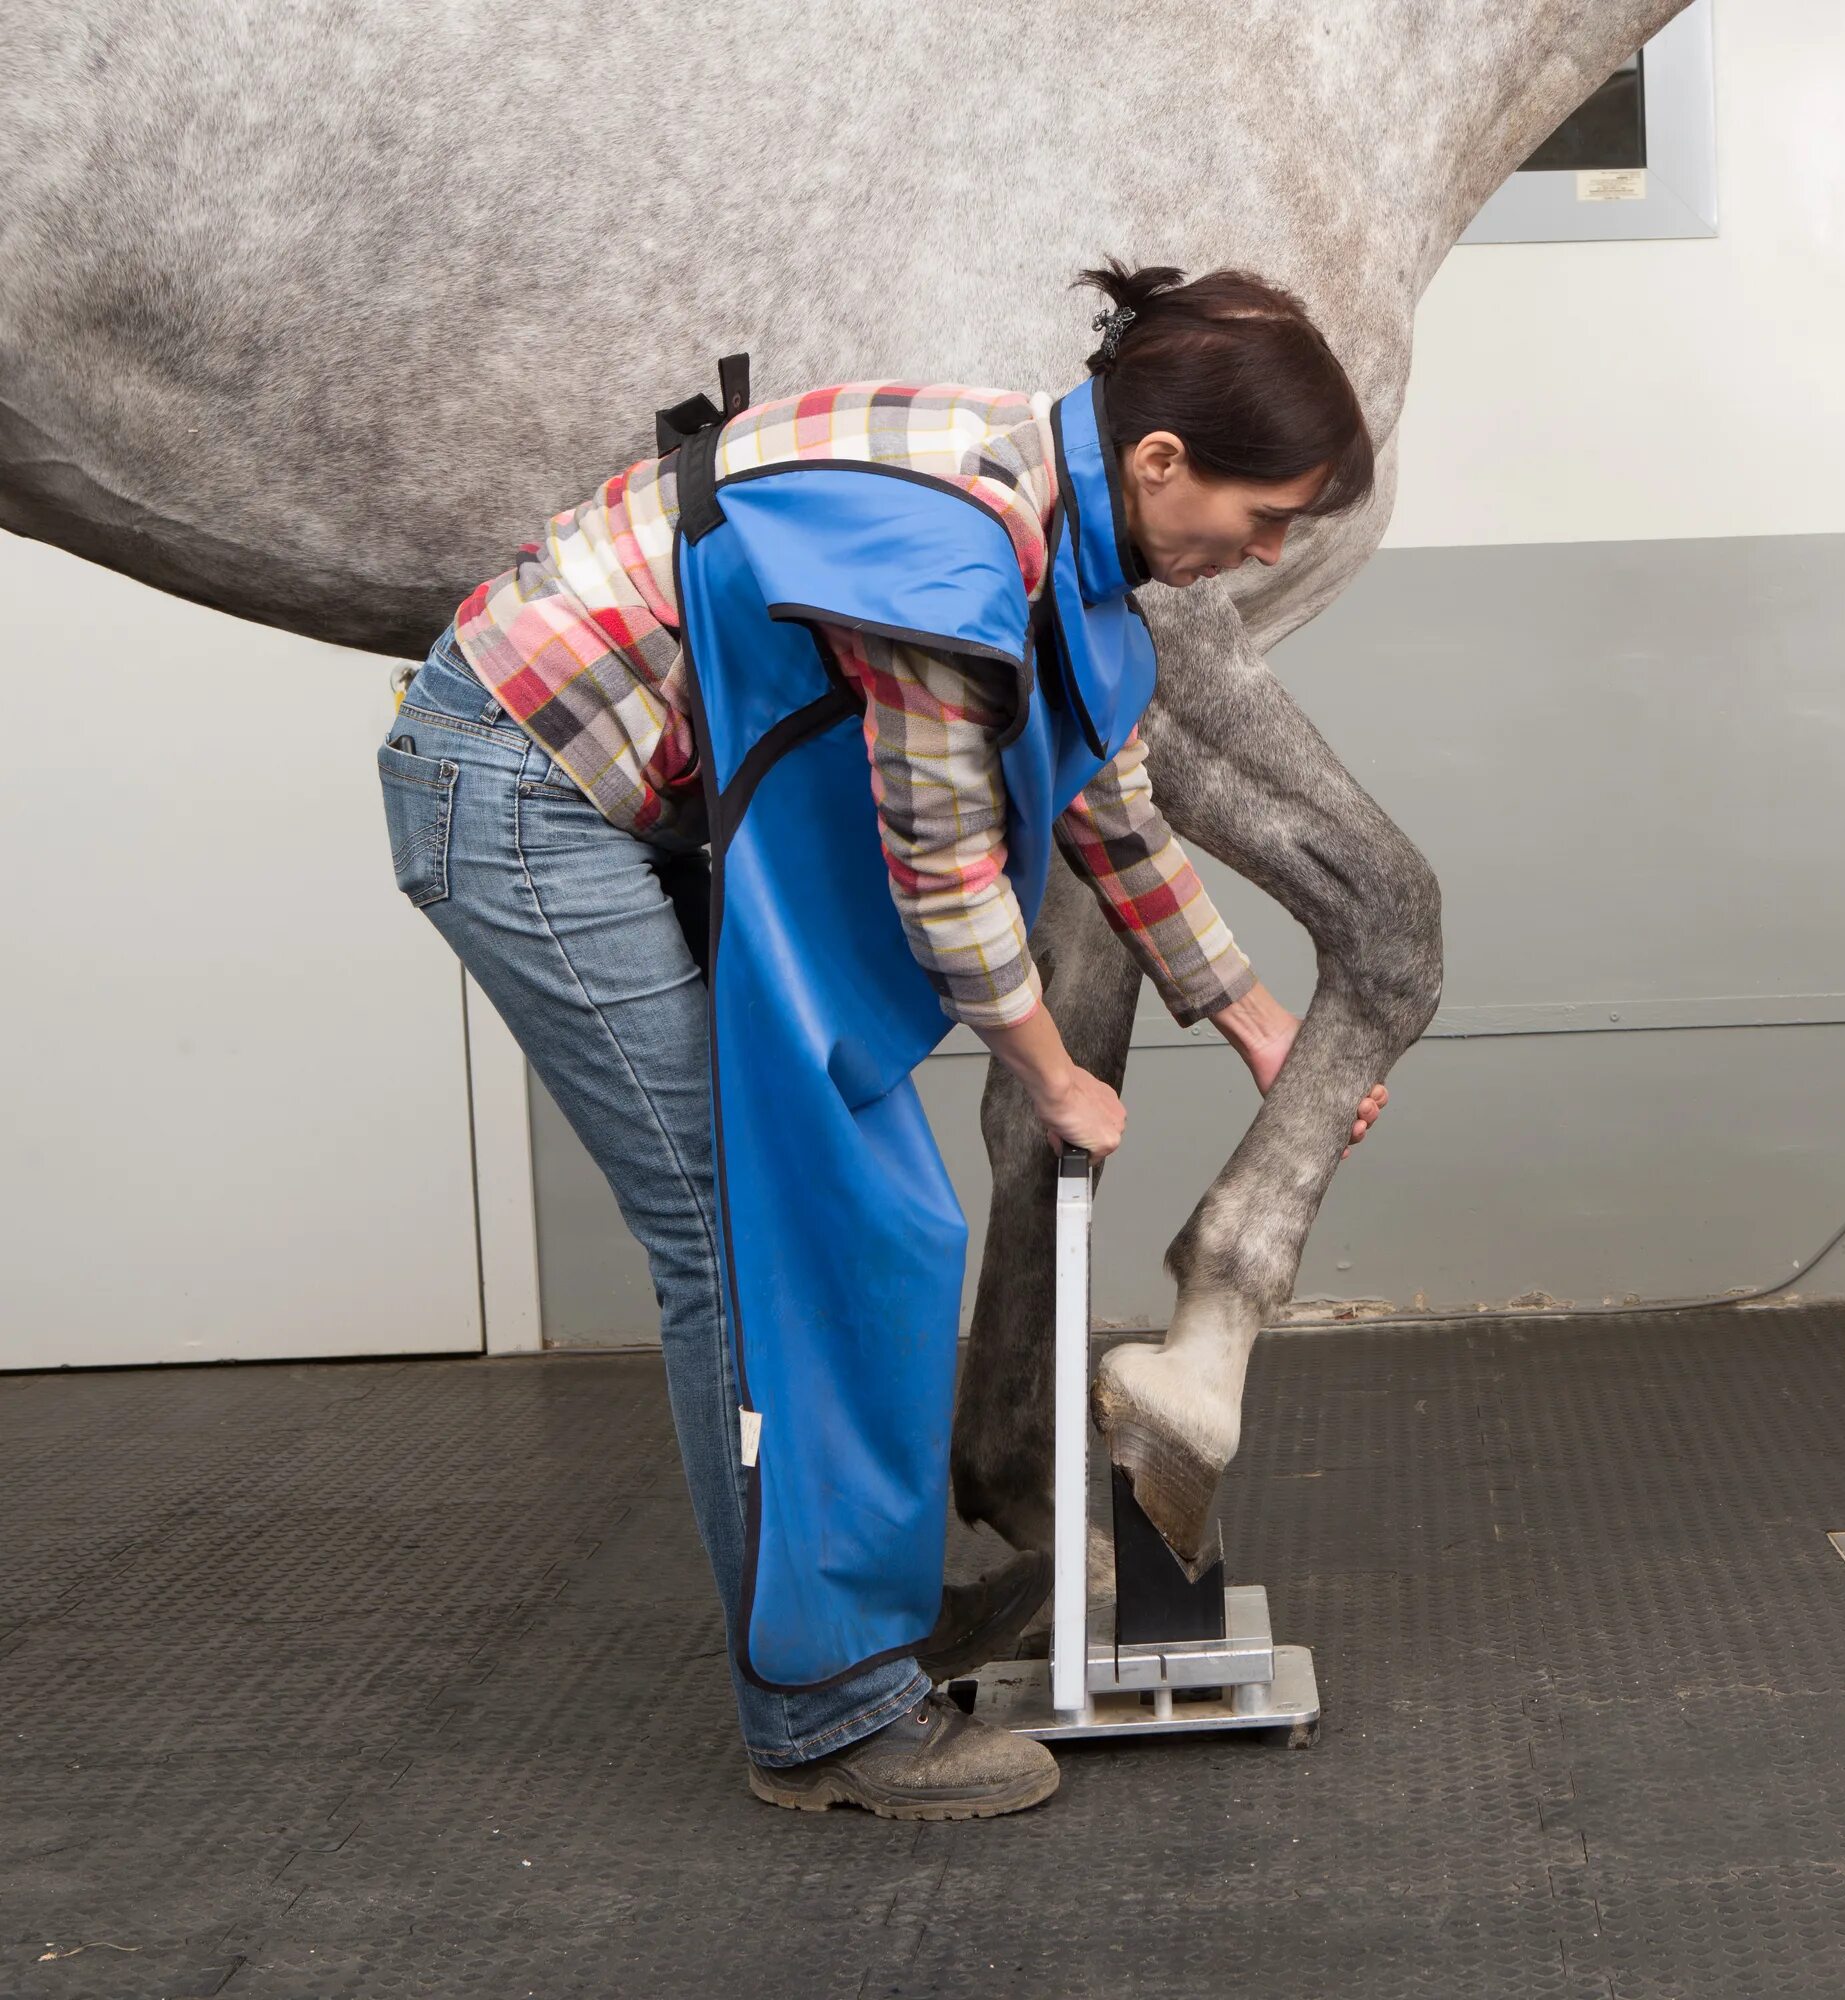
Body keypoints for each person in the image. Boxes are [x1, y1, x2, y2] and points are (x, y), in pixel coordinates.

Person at [379, 264, 1386, 1818]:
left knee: (874, 1219)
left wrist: (1251, 1015)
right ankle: (824, 1717)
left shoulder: (1060, 509)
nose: (1261, 555)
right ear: (1162, 461)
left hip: (616, 786)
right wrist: (1054, 1072)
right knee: (739, 1235)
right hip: (520, 787)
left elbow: (1101, 799)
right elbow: (945, 865)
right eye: (1262, 518)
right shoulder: (960, 546)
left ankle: (869, 1617)